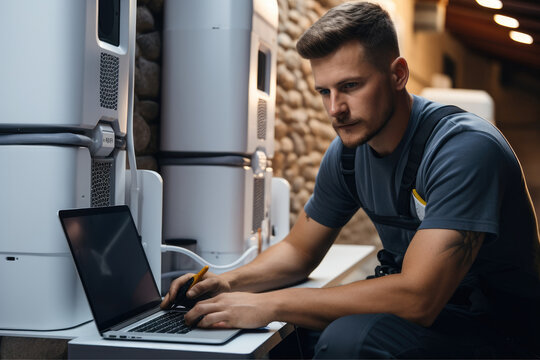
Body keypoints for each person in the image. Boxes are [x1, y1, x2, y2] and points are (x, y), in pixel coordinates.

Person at [161, 1, 540, 358]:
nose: (335, 109)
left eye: (351, 86)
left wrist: (268, 304)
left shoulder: (464, 149)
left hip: (497, 328)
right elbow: (299, 252)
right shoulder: (346, 155)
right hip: (440, 315)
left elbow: (418, 297)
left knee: (345, 341)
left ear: (398, 75)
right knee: (284, 336)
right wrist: (228, 283)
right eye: (324, 91)